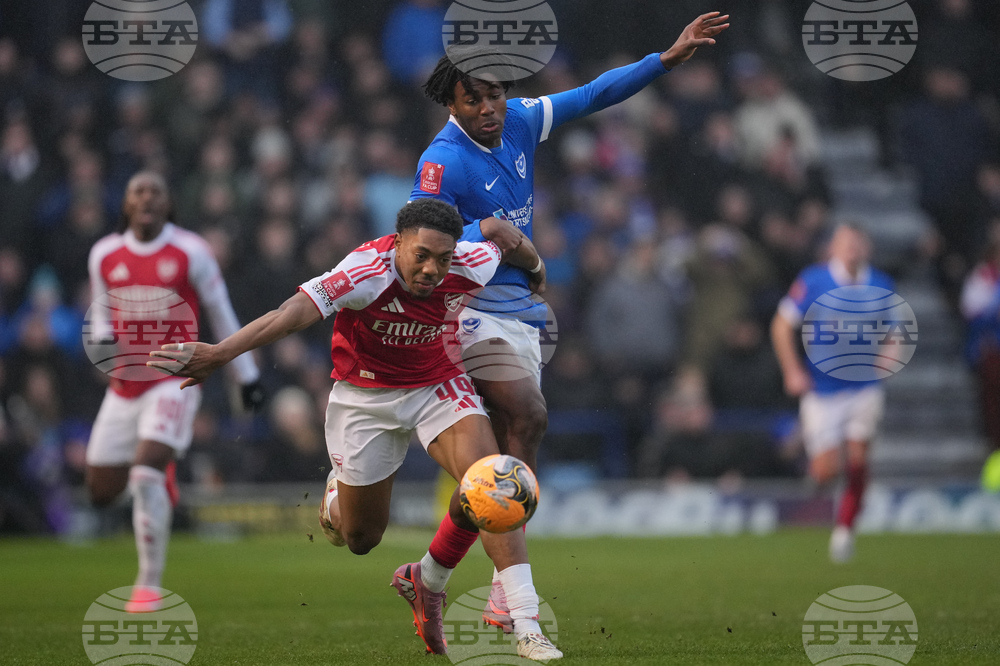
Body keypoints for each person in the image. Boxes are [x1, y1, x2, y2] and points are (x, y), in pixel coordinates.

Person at [410, 11, 729, 626]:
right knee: (527, 414)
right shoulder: (440, 160)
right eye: (471, 99)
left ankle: (431, 575)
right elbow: (423, 233)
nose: (487, 108)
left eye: (495, 94)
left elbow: (591, 95)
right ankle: (513, 603)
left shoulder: (523, 120)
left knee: (504, 461)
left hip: (521, 313)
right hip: (469, 308)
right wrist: (499, 236)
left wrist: (661, 61)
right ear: (452, 102)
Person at [147, 198, 562, 660]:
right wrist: (220, 354)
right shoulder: (365, 271)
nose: (431, 270)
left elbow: (505, 241)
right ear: (398, 242)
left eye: (442, 260)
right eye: (420, 255)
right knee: (361, 538)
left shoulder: (470, 261)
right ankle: (339, 500)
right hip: (365, 400)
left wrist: (537, 266)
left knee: (492, 482)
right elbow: (290, 314)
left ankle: (526, 623)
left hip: (437, 386)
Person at [86, 171, 262, 610]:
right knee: (100, 491)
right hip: (124, 386)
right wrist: (104, 342)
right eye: (137, 191)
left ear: (169, 204)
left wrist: (248, 376)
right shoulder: (104, 254)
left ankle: (148, 584)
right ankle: (158, 474)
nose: (146, 198)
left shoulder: (191, 251)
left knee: (144, 472)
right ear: (126, 204)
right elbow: (102, 316)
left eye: (155, 192)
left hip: (174, 380)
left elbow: (222, 313)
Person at [770, 224, 894, 563]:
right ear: (833, 248)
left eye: (857, 242)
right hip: (823, 389)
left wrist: (890, 355)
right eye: (845, 242)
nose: (852, 248)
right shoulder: (813, 281)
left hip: (864, 386)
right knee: (827, 469)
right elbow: (781, 325)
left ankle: (844, 531)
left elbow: (895, 330)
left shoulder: (880, 283)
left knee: (858, 458)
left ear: (866, 246)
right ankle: (816, 480)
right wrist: (792, 370)